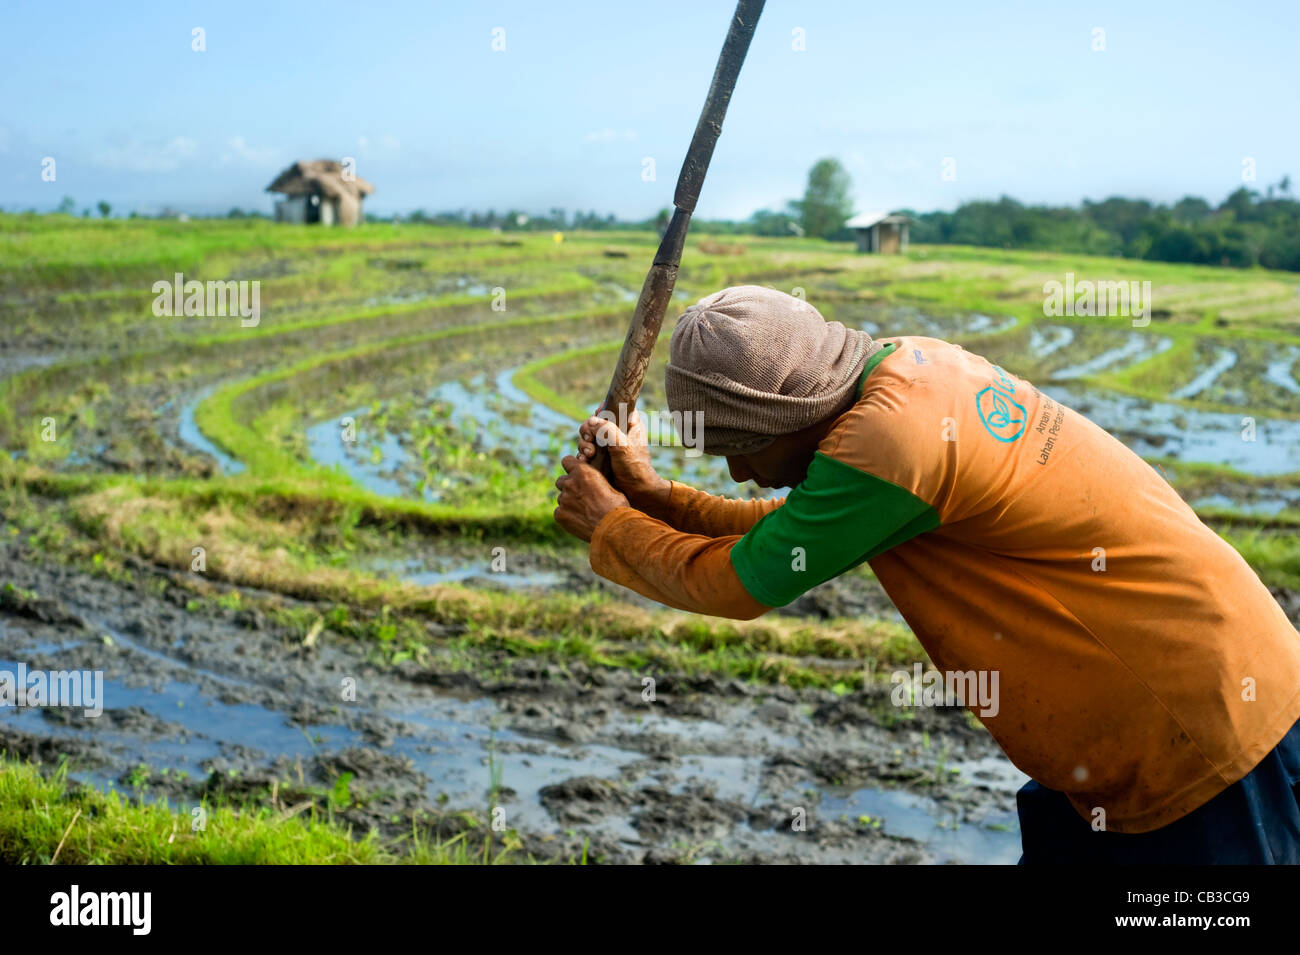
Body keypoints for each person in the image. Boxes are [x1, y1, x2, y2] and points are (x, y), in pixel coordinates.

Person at [553, 285, 1300, 863]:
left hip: (1204, 731)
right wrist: (652, 499)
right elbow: (798, 530)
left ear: (792, 413)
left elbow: (744, 583)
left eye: (741, 448)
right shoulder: (908, 370)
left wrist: (611, 525)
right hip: (1147, 718)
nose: (744, 473)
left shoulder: (891, 442)